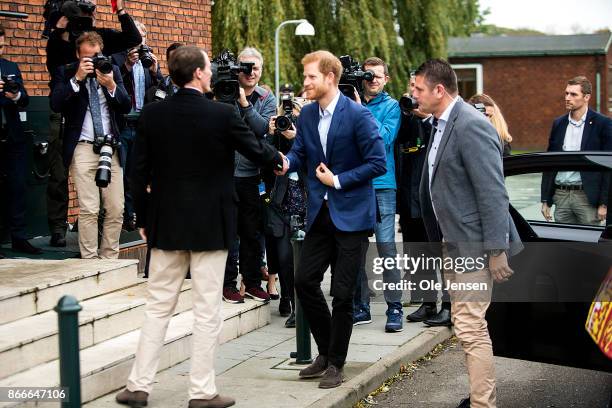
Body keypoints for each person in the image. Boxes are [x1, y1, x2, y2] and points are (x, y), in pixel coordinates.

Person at [115, 45, 284, 408]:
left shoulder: (153, 115)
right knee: (207, 311)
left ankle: (138, 386)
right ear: (197, 74)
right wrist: (279, 159)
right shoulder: (221, 114)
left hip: (167, 225)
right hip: (210, 225)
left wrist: (143, 220)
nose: (212, 74)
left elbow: (136, 173)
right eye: (207, 69)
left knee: (158, 306)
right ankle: (201, 391)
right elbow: (256, 148)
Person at [413, 58, 521, 408]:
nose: (413, 94)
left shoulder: (471, 125)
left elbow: (493, 192)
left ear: (439, 90)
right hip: (453, 243)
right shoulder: (441, 123)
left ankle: (483, 404)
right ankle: (478, 395)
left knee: (471, 327)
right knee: (464, 325)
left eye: (418, 89)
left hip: (475, 246)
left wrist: (496, 249)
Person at [276, 50, 386, 389]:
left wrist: (336, 180)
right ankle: (326, 351)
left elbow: (377, 163)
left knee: (342, 293)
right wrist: (286, 162)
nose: (305, 82)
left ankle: (336, 363)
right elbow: (301, 153)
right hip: (320, 213)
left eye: (310, 76)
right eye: (305, 76)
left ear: (329, 78)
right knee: (304, 280)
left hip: (352, 214)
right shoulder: (307, 115)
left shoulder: (358, 115)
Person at [45, 0, 141, 247]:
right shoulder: (62, 50)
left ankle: (109, 258)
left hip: (110, 144)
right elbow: (55, 101)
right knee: (84, 203)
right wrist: (76, 77)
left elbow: (132, 38)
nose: (93, 60)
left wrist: (110, 84)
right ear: (78, 54)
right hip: (80, 138)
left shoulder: (108, 62)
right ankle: (78, 248)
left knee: (115, 208)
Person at [350, 57, 403, 332]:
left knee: (386, 247)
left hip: (382, 184)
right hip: (356, 184)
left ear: (386, 79)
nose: (373, 80)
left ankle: (395, 308)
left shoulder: (392, 107)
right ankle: (362, 307)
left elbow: (382, 139)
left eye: (378, 76)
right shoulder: (351, 101)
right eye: (368, 75)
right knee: (356, 249)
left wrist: (361, 112)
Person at [222, 47, 277, 304]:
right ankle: (228, 284)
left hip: (252, 175)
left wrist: (244, 103)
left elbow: (263, 130)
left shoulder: (267, 97)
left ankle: (253, 281)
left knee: (252, 232)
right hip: (223, 172)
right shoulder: (223, 89)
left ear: (261, 70)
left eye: (255, 67)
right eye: (245, 67)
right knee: (228, 233)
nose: (250, 72)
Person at [396, 75, 451, 326]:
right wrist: (410, 115)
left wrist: (425, 118)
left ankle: (449, 305)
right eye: (411, 88)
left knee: (441, 252)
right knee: (418, 252)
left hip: (434, 198)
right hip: (410, 195)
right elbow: (401, 139)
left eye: (418, 89)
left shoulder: (439, 120)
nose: (414, 94)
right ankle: (428, 302)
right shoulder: (406, 115)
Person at [112, 20, 163, 231]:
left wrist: (154, 70)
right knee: (122, 172)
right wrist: (127, 65)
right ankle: (123, 214)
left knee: (138, 172)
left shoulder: (147, 61)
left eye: (143, 38)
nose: (140, 43)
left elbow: (160, 90)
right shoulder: (117, 59)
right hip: (123, 123)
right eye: (136, 38)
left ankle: (133, 214)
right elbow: (114, 87)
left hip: (143, 125)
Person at [541, 76, 611, 226]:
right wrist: (546, 199)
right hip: (561, 195)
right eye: (566, 93)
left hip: (587, 197)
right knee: (563, 245)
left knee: (588, 246)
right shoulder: (558, 124)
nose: (567, 98)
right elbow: (549, 163)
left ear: (586, 97)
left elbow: (608, 165)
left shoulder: (602, 124)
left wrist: (604, 203)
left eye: (573, 94)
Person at [266, 96, 307, 328]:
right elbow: (266, 158)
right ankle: (287, 298)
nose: (289, 122)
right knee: (284, 258)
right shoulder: (276, 132)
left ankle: (299, 307)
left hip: (304, 203)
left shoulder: (308, 131)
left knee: (302, 261)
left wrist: (298, 136)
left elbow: (314, 157)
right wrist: (273, 134)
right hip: (280, 203)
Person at [0, 24, 41, 255]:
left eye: (2, 45)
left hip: (13, 136)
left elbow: (24, 98)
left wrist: (15, 94)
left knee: (18, 186)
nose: (0, 50)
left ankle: (19, 237)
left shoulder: (10, 66)